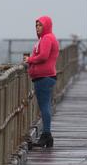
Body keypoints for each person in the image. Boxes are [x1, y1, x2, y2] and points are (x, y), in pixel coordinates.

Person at [24, 15, 60, 148]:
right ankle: (47, 135)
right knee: (45, 106)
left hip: (44, 77)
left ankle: (46, 134)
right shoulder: (46, 39)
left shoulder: (47, 38)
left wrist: (29, 60)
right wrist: (31, 59)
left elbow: (43, 56)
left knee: (44, 106)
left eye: (40, 25)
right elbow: (40, 55)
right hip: (44, 77)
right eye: (36, 25)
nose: (37, 28)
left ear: (46, 26)